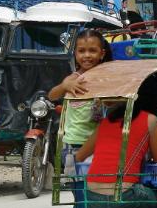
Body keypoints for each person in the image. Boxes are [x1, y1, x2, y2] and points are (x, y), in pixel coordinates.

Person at [48, 29, 113, 168]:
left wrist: (103, 92)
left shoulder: (105, 78)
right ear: (75, 54)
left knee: (91, 181)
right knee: (76, 182)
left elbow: (111, 103)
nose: (87, 55)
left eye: (92, 51)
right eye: (82, 51)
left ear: (102, 54)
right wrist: (65, 86)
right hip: (70, 143)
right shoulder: (73, 78)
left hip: (96, 143)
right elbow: (52, 95)